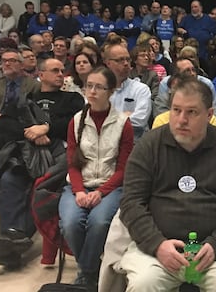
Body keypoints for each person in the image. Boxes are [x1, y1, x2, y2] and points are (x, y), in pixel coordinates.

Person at [118, 78, 216, 291]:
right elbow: (131, 202)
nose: (181, 119)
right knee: (143, 284)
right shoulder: (149, 145)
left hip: (214, 251)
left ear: (209, 115)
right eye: (176, 110)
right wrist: (157, 244)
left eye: (191, 112)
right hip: (157, 248)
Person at [0, 58, 84, 267]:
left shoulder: (72, 99)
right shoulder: (25, 99)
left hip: (60, 152)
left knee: (40, 183)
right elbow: (4, 125)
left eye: (62, 70)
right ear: (41, 74)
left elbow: (76, 123)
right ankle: (8, 237)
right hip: (29, 151)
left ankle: (15, 238)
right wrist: (32, 134)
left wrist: (46, 128)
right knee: (11, 178)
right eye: (55, 70)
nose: (60, 74)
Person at [60, 67, 135, 287]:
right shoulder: (76, 121)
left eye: (98, 87)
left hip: (110, 186)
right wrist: (79, 191)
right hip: (78, 185)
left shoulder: (123, 123)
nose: (91, 91)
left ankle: (86, 274)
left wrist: (101, 192)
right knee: (72, 223)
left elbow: (123, 169)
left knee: (99, 222)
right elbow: (73, 163)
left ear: (111, 91)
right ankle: (91, 271)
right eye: (88, 85)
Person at [104, 44, 152, 138]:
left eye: (128, 59)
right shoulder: (100, 88)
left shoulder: (141, 89)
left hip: (134, 142)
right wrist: (124, 116)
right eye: (120, 60)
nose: (126, 63)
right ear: (108, 63)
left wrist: (108, 119)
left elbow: (139, 120)